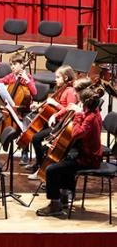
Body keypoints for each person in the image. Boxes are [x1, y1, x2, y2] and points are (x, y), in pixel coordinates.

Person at [36, 78, 103, 217]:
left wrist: (78, 114)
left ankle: (55, 204)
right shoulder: (89, 111)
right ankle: (64, 199)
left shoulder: (90, 117)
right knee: (63, 161)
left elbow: (76, 133)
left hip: (88, 158)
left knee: (51, 169)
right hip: (83, 153)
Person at [26, 65, 77, 179]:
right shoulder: (61, 89)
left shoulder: (70, 91)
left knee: (37, 139)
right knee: (35, 135)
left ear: (66, 78)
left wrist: (55, 107)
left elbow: (69, 109)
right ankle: (39, 164)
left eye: (58, 77)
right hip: (54, 122)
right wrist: (39, 105)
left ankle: (41, 167)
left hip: (61, 126)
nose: (56, 79)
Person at [0, 52, 37, 164]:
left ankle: (25, 152)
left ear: (22, 65)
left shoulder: (28, 77)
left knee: (25, 129)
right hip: (12, 109)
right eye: (11, 64)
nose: (12, 67)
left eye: (15, 64)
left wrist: (27, 80)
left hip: (25, 110)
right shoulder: (11, 77)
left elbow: (34, 92)